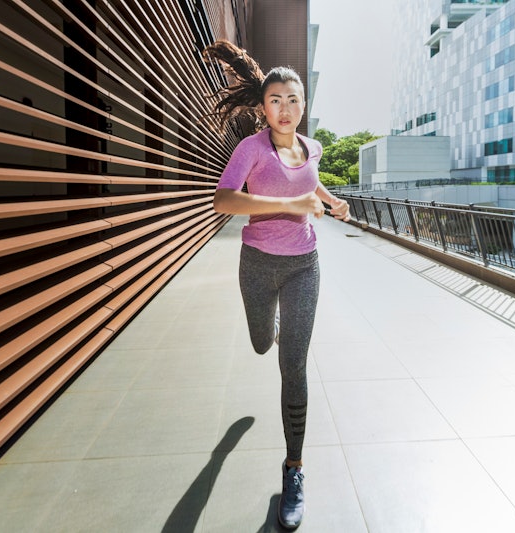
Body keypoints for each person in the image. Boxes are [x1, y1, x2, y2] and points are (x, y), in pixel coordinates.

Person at [203, 40, 350, 530]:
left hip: (304, 264)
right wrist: (285, 207)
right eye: (275, 101)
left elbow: (310, 181)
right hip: (258, 265)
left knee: (294, 366)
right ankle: (274, 330)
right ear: (263, 108)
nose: (284, 109)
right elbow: (224, 201)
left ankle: (294, 470)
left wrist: (333, 201)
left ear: (303, 105)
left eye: (293, 100)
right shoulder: (252, 149)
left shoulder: (314, 147)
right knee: (262, 342)